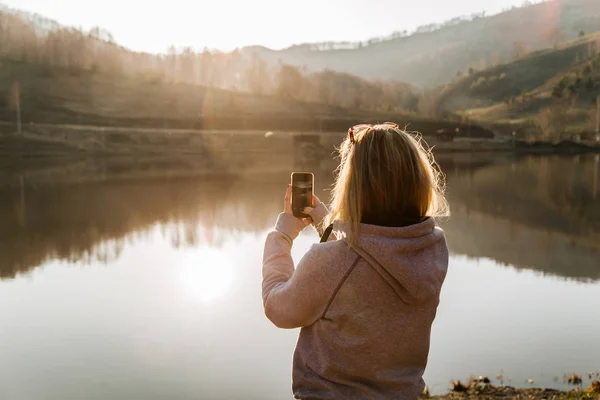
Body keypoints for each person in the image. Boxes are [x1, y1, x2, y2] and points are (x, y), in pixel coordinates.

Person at [262, 122, 450, 399]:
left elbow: (278, 308)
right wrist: (326, 223)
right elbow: (371, 259)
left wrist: (282, 236)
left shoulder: (329, 262)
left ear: (353, 184)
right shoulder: (433, 246)